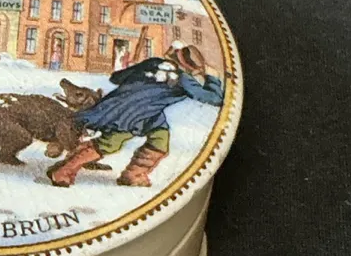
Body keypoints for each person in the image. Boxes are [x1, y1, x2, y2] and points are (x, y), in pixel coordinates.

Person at [47, 42, 224, 188]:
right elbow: (214, 98)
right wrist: (213, 78)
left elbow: (117, 77)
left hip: (132, 110)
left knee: (160, 138)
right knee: (110, 143)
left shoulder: (153, 62)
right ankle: (63, 171)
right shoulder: (184, 79)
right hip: (135, 115)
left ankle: (134, 174)